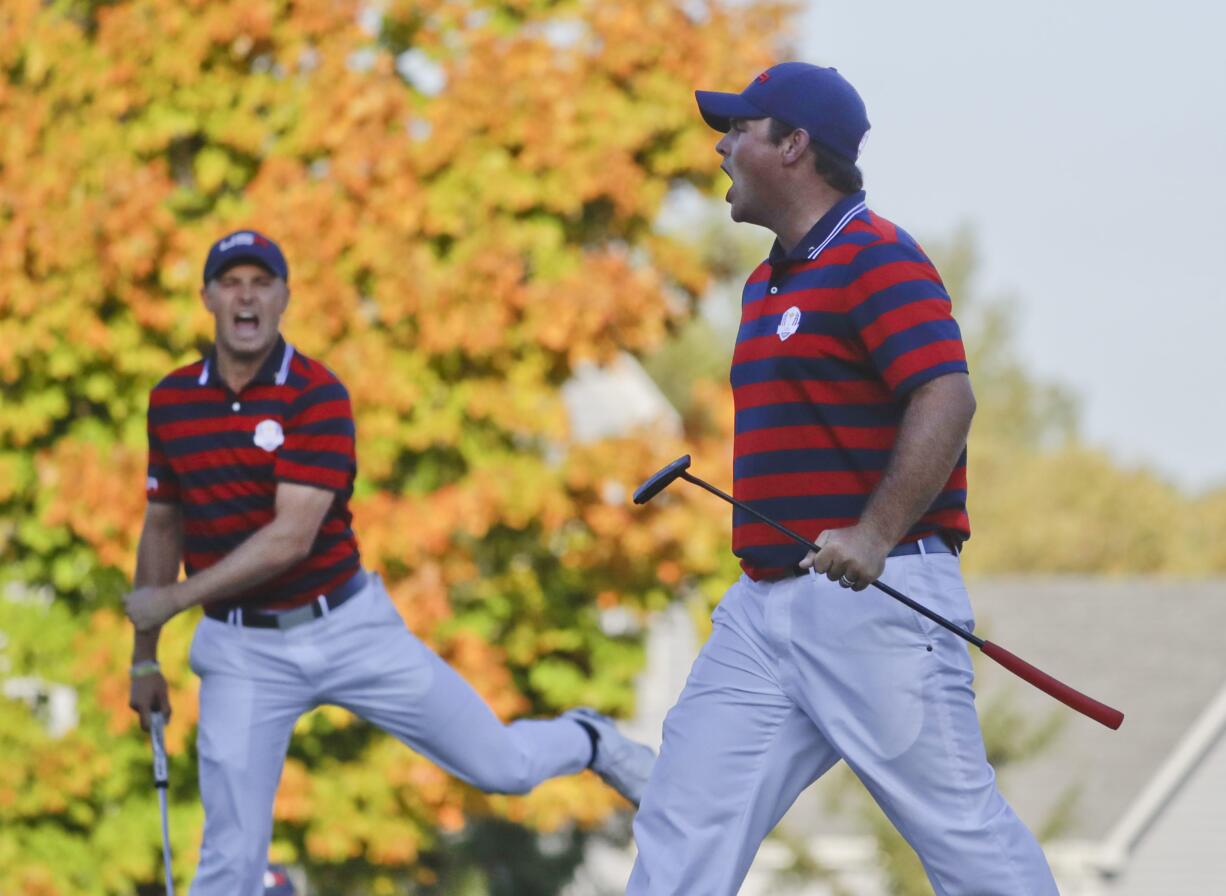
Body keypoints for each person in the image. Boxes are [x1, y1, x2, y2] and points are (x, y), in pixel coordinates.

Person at [627, 63, 1059, 895]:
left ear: (794, 146)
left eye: (740, 129)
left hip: (878, 598)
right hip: (762, 610)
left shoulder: (876, 257)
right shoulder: (766, 284)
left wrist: (875, 532)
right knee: (683, 817)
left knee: (963, 840)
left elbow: (946, 395)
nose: (721, 147)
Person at [124, 229, 655, 896]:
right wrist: (145, 656)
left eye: (262, 282)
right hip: (241, 649)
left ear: (284, 296)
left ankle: (589, 739)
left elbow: (290, 538)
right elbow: (164, 521)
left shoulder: (316, 394)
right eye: (232, 282)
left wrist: (171, 603)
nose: (247, 296)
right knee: (228, 866)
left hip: (347, 628)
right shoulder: (172, 400)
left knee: (504, 768)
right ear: (208, 297)